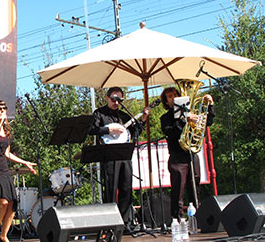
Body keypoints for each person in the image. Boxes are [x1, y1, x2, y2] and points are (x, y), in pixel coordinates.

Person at [88, 87, 150, 230]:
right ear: (107, 98)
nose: (116, 102)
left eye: (119, 100)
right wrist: (108, 130)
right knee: (110, 189)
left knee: (126, 188)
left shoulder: (124, 115)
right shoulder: (99, 114)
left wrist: (144, 119)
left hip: (124, 154)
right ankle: (110, 223)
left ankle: (125, 223)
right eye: (113, 99)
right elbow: (91, 130)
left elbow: (135, 132)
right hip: (108, 155)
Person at [0, 100, 36, 242]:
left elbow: (7, 153)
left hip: (3, 167)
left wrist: (25, 162)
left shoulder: (6, 130)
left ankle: (4, 236)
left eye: (4, 108)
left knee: (12, 204)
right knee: (3, 203)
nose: (2, 111)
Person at [160, 87, 215, 220]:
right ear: (166, 102)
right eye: (170, 96)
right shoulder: (166, 118)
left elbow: (208, 122)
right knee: (178, 191)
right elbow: (170, 133)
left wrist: (210, 106)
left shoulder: (190, 112)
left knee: (195, 189)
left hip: (191, 155)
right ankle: (177, 220)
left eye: (175, 94)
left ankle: (198, 219)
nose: (173, 97)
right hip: (177, 158)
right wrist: (184, 120)